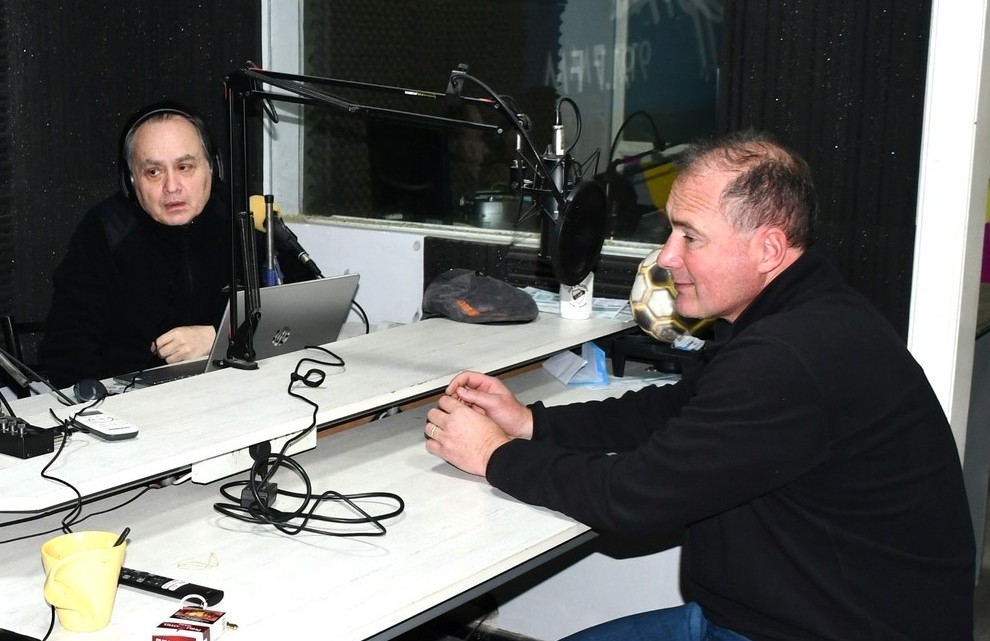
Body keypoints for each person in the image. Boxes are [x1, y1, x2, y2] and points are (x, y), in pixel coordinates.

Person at [424, 130, 976, 640]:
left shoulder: (788, 356)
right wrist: (532, 423)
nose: (667, 257)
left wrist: (494, 455)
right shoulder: (805, 312)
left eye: (691, 236)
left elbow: (632, 498)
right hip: (768, 618)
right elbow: (678, 408)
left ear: (768, 249)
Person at [39, 101, 306, 387]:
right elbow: (65, 352)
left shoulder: (243, 217)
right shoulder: (105, 231)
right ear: (131, 180)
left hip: (239, 388)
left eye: (184, 167)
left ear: (213, 168)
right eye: (154, 172)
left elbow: (309, 312)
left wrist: (222, 336)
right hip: (137, 399)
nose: (172, 187)